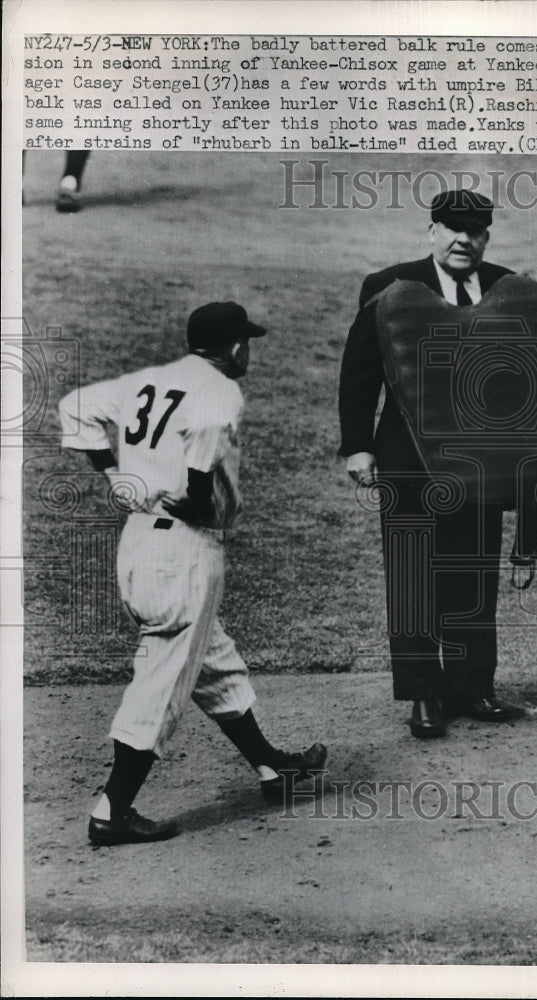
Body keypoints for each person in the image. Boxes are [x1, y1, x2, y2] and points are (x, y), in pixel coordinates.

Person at [58, 302, 327, 845]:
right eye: (246, 343)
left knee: (213, 661)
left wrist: (114, 472)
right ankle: (113, 810)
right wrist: (194, 498)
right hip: (182, 551)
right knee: (161, 682)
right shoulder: (220, 391)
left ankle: (274, 770)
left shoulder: (151, 379)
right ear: (234, 347)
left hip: (140, 542)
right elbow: (200, 471)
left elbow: (75, 406)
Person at [339, 189, 537, 739]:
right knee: (413, 576)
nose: (463, 239)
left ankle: (472, 684)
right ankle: (422, 694)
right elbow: (359, 372)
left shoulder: (509, 289)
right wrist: (357, 445)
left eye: (474, 231)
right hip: (406, 460)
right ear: (432, 231)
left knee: (473, 571)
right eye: (452, 228)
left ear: (487, 236)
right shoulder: (387, 285)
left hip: (481, 462)